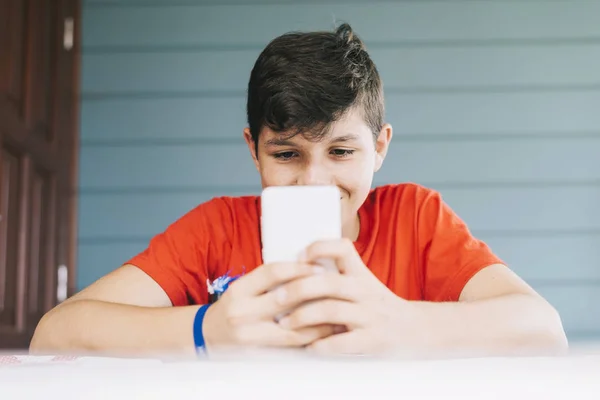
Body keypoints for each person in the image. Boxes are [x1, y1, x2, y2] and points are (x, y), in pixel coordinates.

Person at [30, 23, 568, 359]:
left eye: (341, 152)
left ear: (379, 148)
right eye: (287, 154)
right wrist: (205, 329)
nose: (314, 182)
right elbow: (55, 333)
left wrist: (403, 321)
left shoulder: (416, 217)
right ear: (253, 149)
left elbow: (543, 329)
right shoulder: (217, 228)